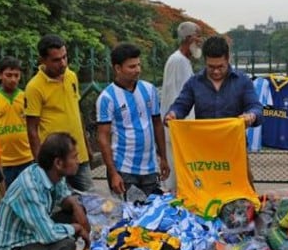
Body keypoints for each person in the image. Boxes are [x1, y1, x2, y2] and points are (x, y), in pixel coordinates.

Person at [0, 132, 91, 250]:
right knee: (66, 245)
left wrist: (76, 206)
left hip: (29, 236)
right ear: (58, 162)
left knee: (72, 211)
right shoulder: (30, 187)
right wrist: (77, 228)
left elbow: (65, 196)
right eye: (74, 157)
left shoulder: (52, 174)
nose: (78, 161)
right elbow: (48, 235)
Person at [163, 35, 263, 184]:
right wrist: (172, 114)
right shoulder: (194, 83)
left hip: (235, 151)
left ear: (228, 58)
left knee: (243, 194)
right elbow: (180, 106)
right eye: (211, 67)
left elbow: (256, 107)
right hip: (204, 155)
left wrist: (251, 116)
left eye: (220, 66)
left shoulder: (243, 81)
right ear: (205, 61)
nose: (216, 71)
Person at [96, 43, 169, 199]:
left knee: (154, 214)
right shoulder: (107, 98)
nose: (138, 70)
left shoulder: (149, 90)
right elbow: (103, 137)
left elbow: (157, 124)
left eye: (138, 65)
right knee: (130, 216)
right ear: (117, 68)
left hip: (150, 168)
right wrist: (112, 172)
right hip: (124, 169)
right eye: (132, 67)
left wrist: (163, 157)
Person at [25, 34, 94, 192]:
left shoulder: (71, 76)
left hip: (78, 156)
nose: (62, 63)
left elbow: (77, 113)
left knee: (91, 202)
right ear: (43, 60)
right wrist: (40, 164)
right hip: (55, 162)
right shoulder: (34, 87)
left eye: (64, 57)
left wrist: (87, 146)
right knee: (60, 206)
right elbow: (32, 130)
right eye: (56, 60)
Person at [160, 21, 202, 192]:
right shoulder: (178, 61)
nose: (200, 41)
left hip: (180, 128)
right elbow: (180, 98)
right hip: (178, 128)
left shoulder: (183, 60)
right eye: (198, 36)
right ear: (189, 38)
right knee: (176, 176)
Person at [0, 56, 33, 187]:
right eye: (8, 75)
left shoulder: (26, 97)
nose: (13, 79)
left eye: (16, 75)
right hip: (4, 162)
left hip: (27, 158)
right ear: (0, 75)